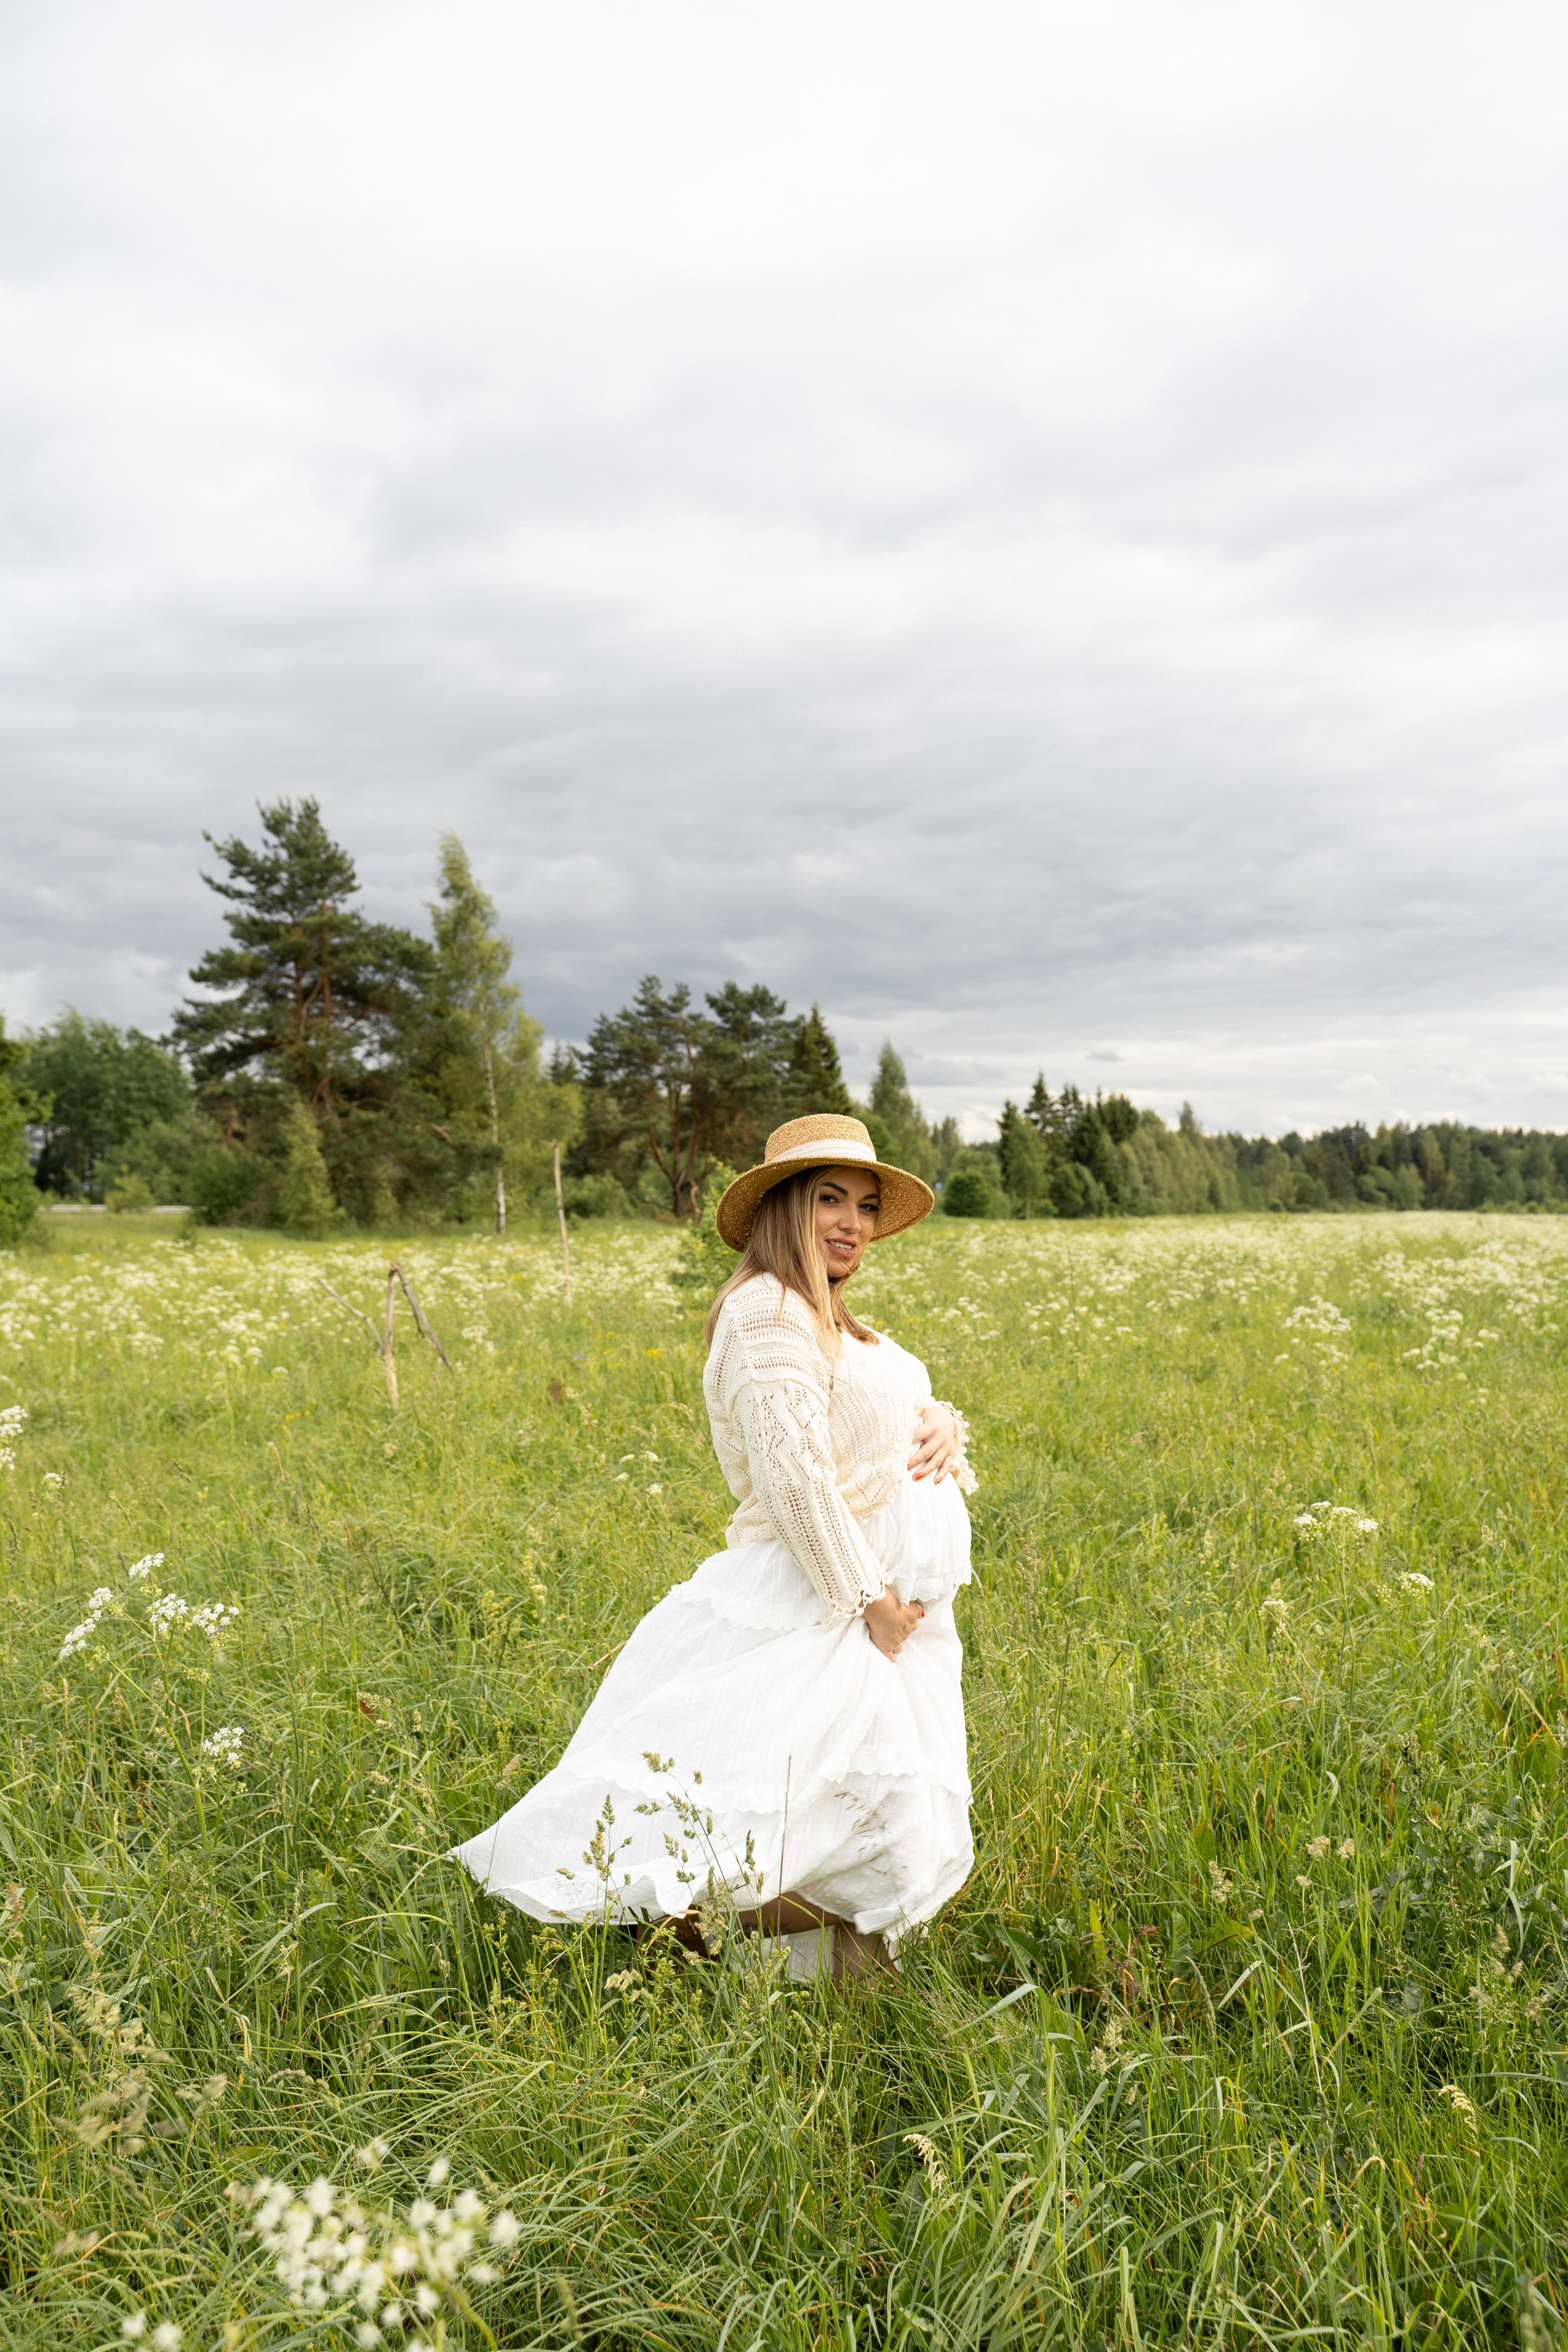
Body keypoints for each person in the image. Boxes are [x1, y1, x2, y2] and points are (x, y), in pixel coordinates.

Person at [450, 1112, 977, 1981]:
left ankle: (769, 1978)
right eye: (828, 1201)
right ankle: (671, 1933)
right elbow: (796, 1480)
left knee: (857, 1839)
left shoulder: (833, 1318)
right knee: (880, 1838)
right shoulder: (765, 1313)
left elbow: (878, 1428)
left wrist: (946, 1426)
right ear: (781, 1210)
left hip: (882, 1615)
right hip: (829, 1601)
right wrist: (877, 1608)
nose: (853, 1223)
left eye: (866, 1205)